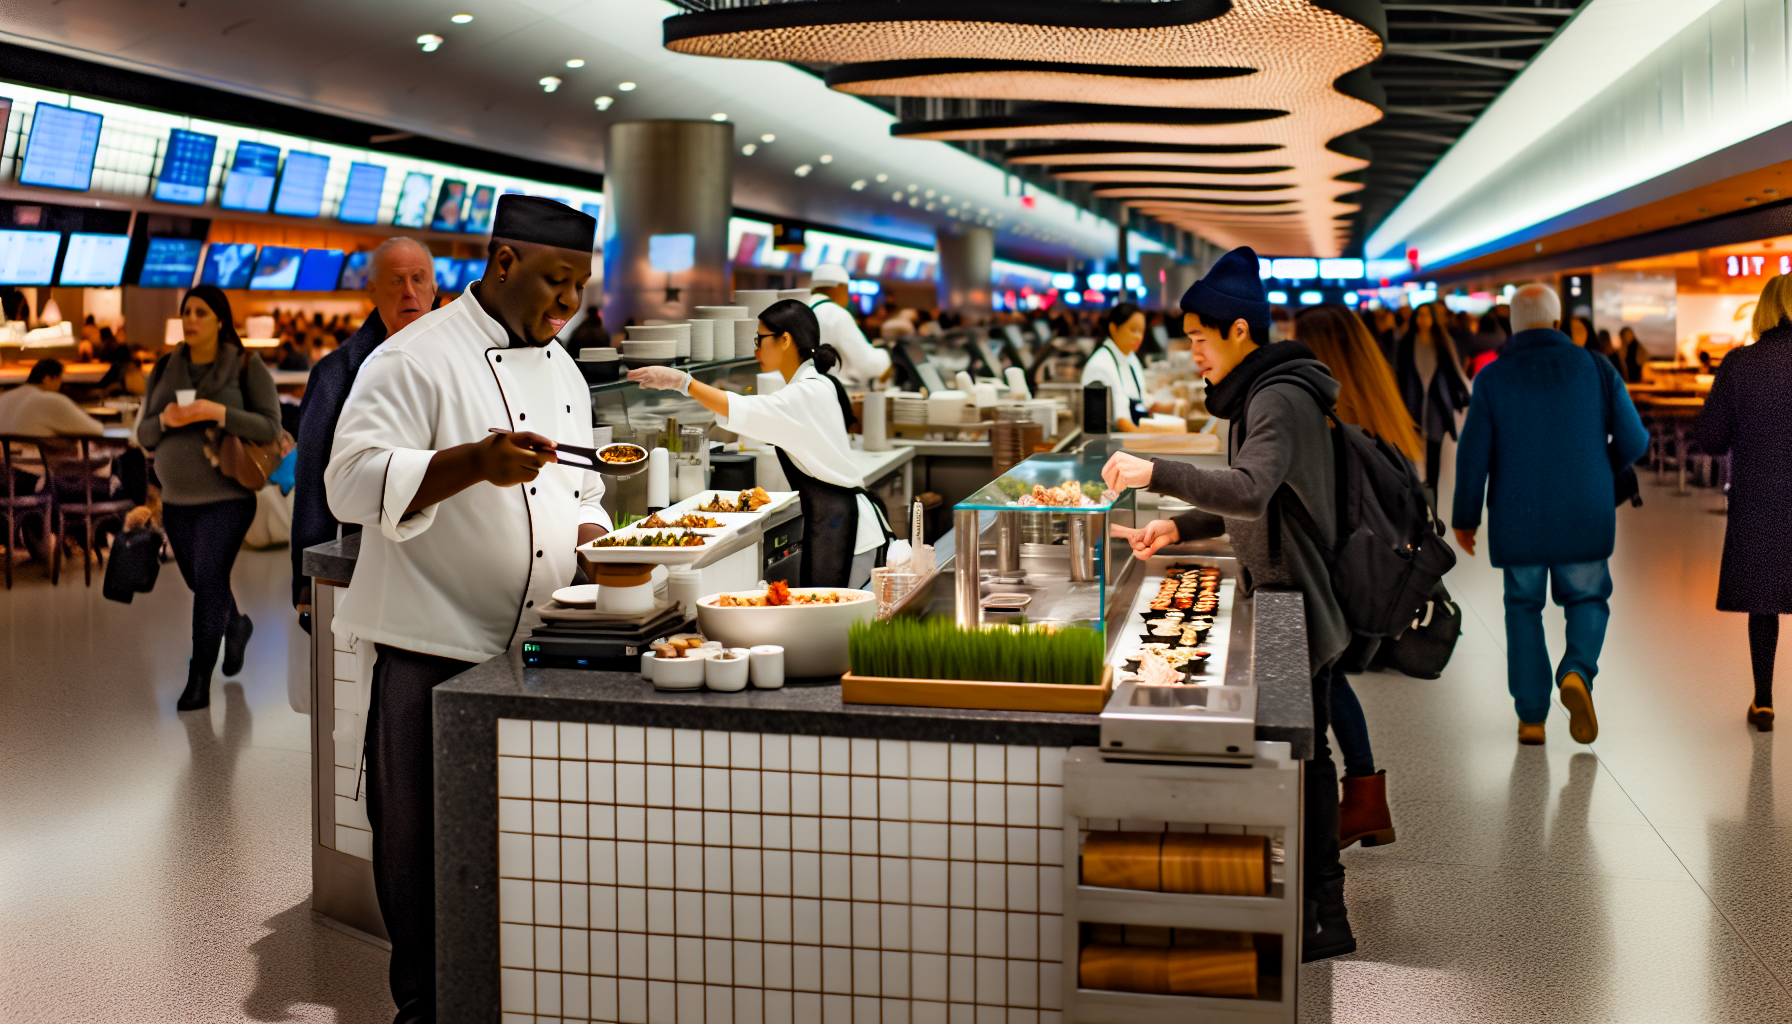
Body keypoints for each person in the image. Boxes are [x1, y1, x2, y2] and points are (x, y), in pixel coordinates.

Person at [325, 196, 610, 1024]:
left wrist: (597, 540)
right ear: (503, 262)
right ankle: (421, 1010)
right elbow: (348, 483)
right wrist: (472, 464)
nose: (568, 304)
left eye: (580, 288)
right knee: (419, 855)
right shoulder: (414, 359)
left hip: (538, 645)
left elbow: (579, 485)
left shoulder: (561, 367)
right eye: (556, 283)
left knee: (511, 857)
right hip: (432, 645)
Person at [1098, 246, 1356, 961]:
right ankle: (1309, 902)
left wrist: (1158, 472)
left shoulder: (1276, 396)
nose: (1193, 353)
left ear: (1241, 330)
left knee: (1305, 758)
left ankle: (1322, 912)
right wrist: (1176, 524)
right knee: (1304, 752)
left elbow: (1247, 491)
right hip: (1282, 592)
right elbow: (1259, 498)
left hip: (1293, 600)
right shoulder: (1263, 391)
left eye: (1199, 338)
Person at [1452, 284, 1648, 746]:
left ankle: (1531, 717)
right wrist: (1602, 471)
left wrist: (1465, 517)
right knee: (1586, 598)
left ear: (1513, 326)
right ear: (1559, 323)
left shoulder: (1493, 378)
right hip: (1585, 511)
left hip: (1516, 518)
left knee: (1523, 608)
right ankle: (1577, 670)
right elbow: (1636, 440)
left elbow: (1472, 455)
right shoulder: (1597, 368)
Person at [629, 299, 891, 587]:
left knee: (838, 626)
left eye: (760, 339)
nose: (755, 348)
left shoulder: (804, 394)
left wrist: (683, 383)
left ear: (785, 340)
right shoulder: (818, 383)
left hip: (846, 530)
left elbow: (745, 409)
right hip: (844, 523)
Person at [1293, 303, 1425, 850]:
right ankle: (1366, 798)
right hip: (1374, 564)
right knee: (1327, 670)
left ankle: (1360, 798)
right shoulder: (1379, 402)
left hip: (1340, 566)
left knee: (1322, 667)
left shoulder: (1326, 415)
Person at [137, 286, 283, 711]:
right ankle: (235, 626)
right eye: (186, 312)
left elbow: (271, 427)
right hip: (177, 501)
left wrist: (216, 413)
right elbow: (144, 435)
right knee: (201, 581)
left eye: (201, 312)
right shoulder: (165, 367)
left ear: (220, 319)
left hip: (229, 497)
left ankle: (198, 678)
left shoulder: (245, 365)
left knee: (210, 581)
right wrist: (164, 418)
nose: (191, 319)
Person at [290, 237, 437, 622]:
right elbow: (312, 480)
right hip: (369, 551)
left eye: (419, 279)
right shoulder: (336, 375)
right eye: (395, 281)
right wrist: (307, 578)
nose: (409, 292)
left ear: (434, 290)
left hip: (449, 555)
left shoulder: (464, 363)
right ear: (373, 291)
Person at [1692, 275, 1792, 731]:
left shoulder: (1740, 364)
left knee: (1764, 602)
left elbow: (1711, 440)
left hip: (1762, 499)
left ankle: (1765, 701)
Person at [1394, 301, 1469, 492]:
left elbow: (1453, 371)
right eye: (1420, 315)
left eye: (1427, 315)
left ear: (1434, 318)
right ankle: (1416, 493)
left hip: (1437, 403)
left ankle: (1432, 493)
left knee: (1434, 446)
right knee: (1413, 448)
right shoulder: (1406, 342)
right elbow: (1400, 374)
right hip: (1412, 402)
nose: (1423, 319)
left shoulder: (1443, 341)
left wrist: (1461, 396)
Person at [806, 263, 891, 388]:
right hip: (833, 392)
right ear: (839, 287)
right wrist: (885, 357)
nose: (848, 296)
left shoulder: (804, 308)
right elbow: (866, 364)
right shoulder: (836, 313)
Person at [0, 359, 106, 438]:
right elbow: (96, 430)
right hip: (43, 465)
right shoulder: (49, 401)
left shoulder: (3, 399)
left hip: (7, 465)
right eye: (59, 381)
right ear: (47, 378)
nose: (60, 387)